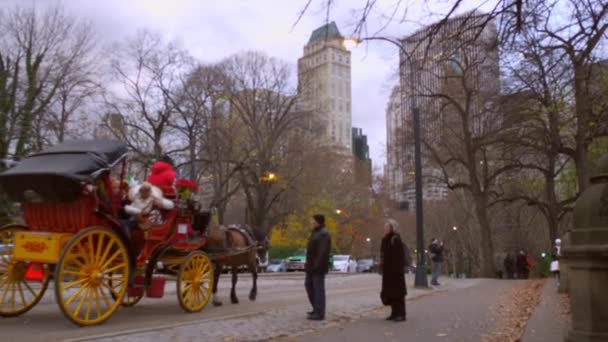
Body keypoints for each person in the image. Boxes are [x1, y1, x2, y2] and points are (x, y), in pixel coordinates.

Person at [305, 214, 331, 321]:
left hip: (317, 268)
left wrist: (316, 266)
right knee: (309, 286)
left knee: (318, 289)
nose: (311, 223)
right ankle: (316, 308)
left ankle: (320, 313)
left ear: (318, 222)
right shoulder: (315, 233)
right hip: (311, 267)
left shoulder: (324, 234)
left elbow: (322, 253)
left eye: (313, 221)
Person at [379, 220, 407, 322]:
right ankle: (394, 313)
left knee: (398, 293)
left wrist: (396, 269)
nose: (385, 228)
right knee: (390, 293)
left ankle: (401, 314)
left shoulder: (395, 238)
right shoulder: (385, 239)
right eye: (384, 226)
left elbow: (399, 256)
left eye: (387, 227)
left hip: (395, 271)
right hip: (388, 271)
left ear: (392, 228)